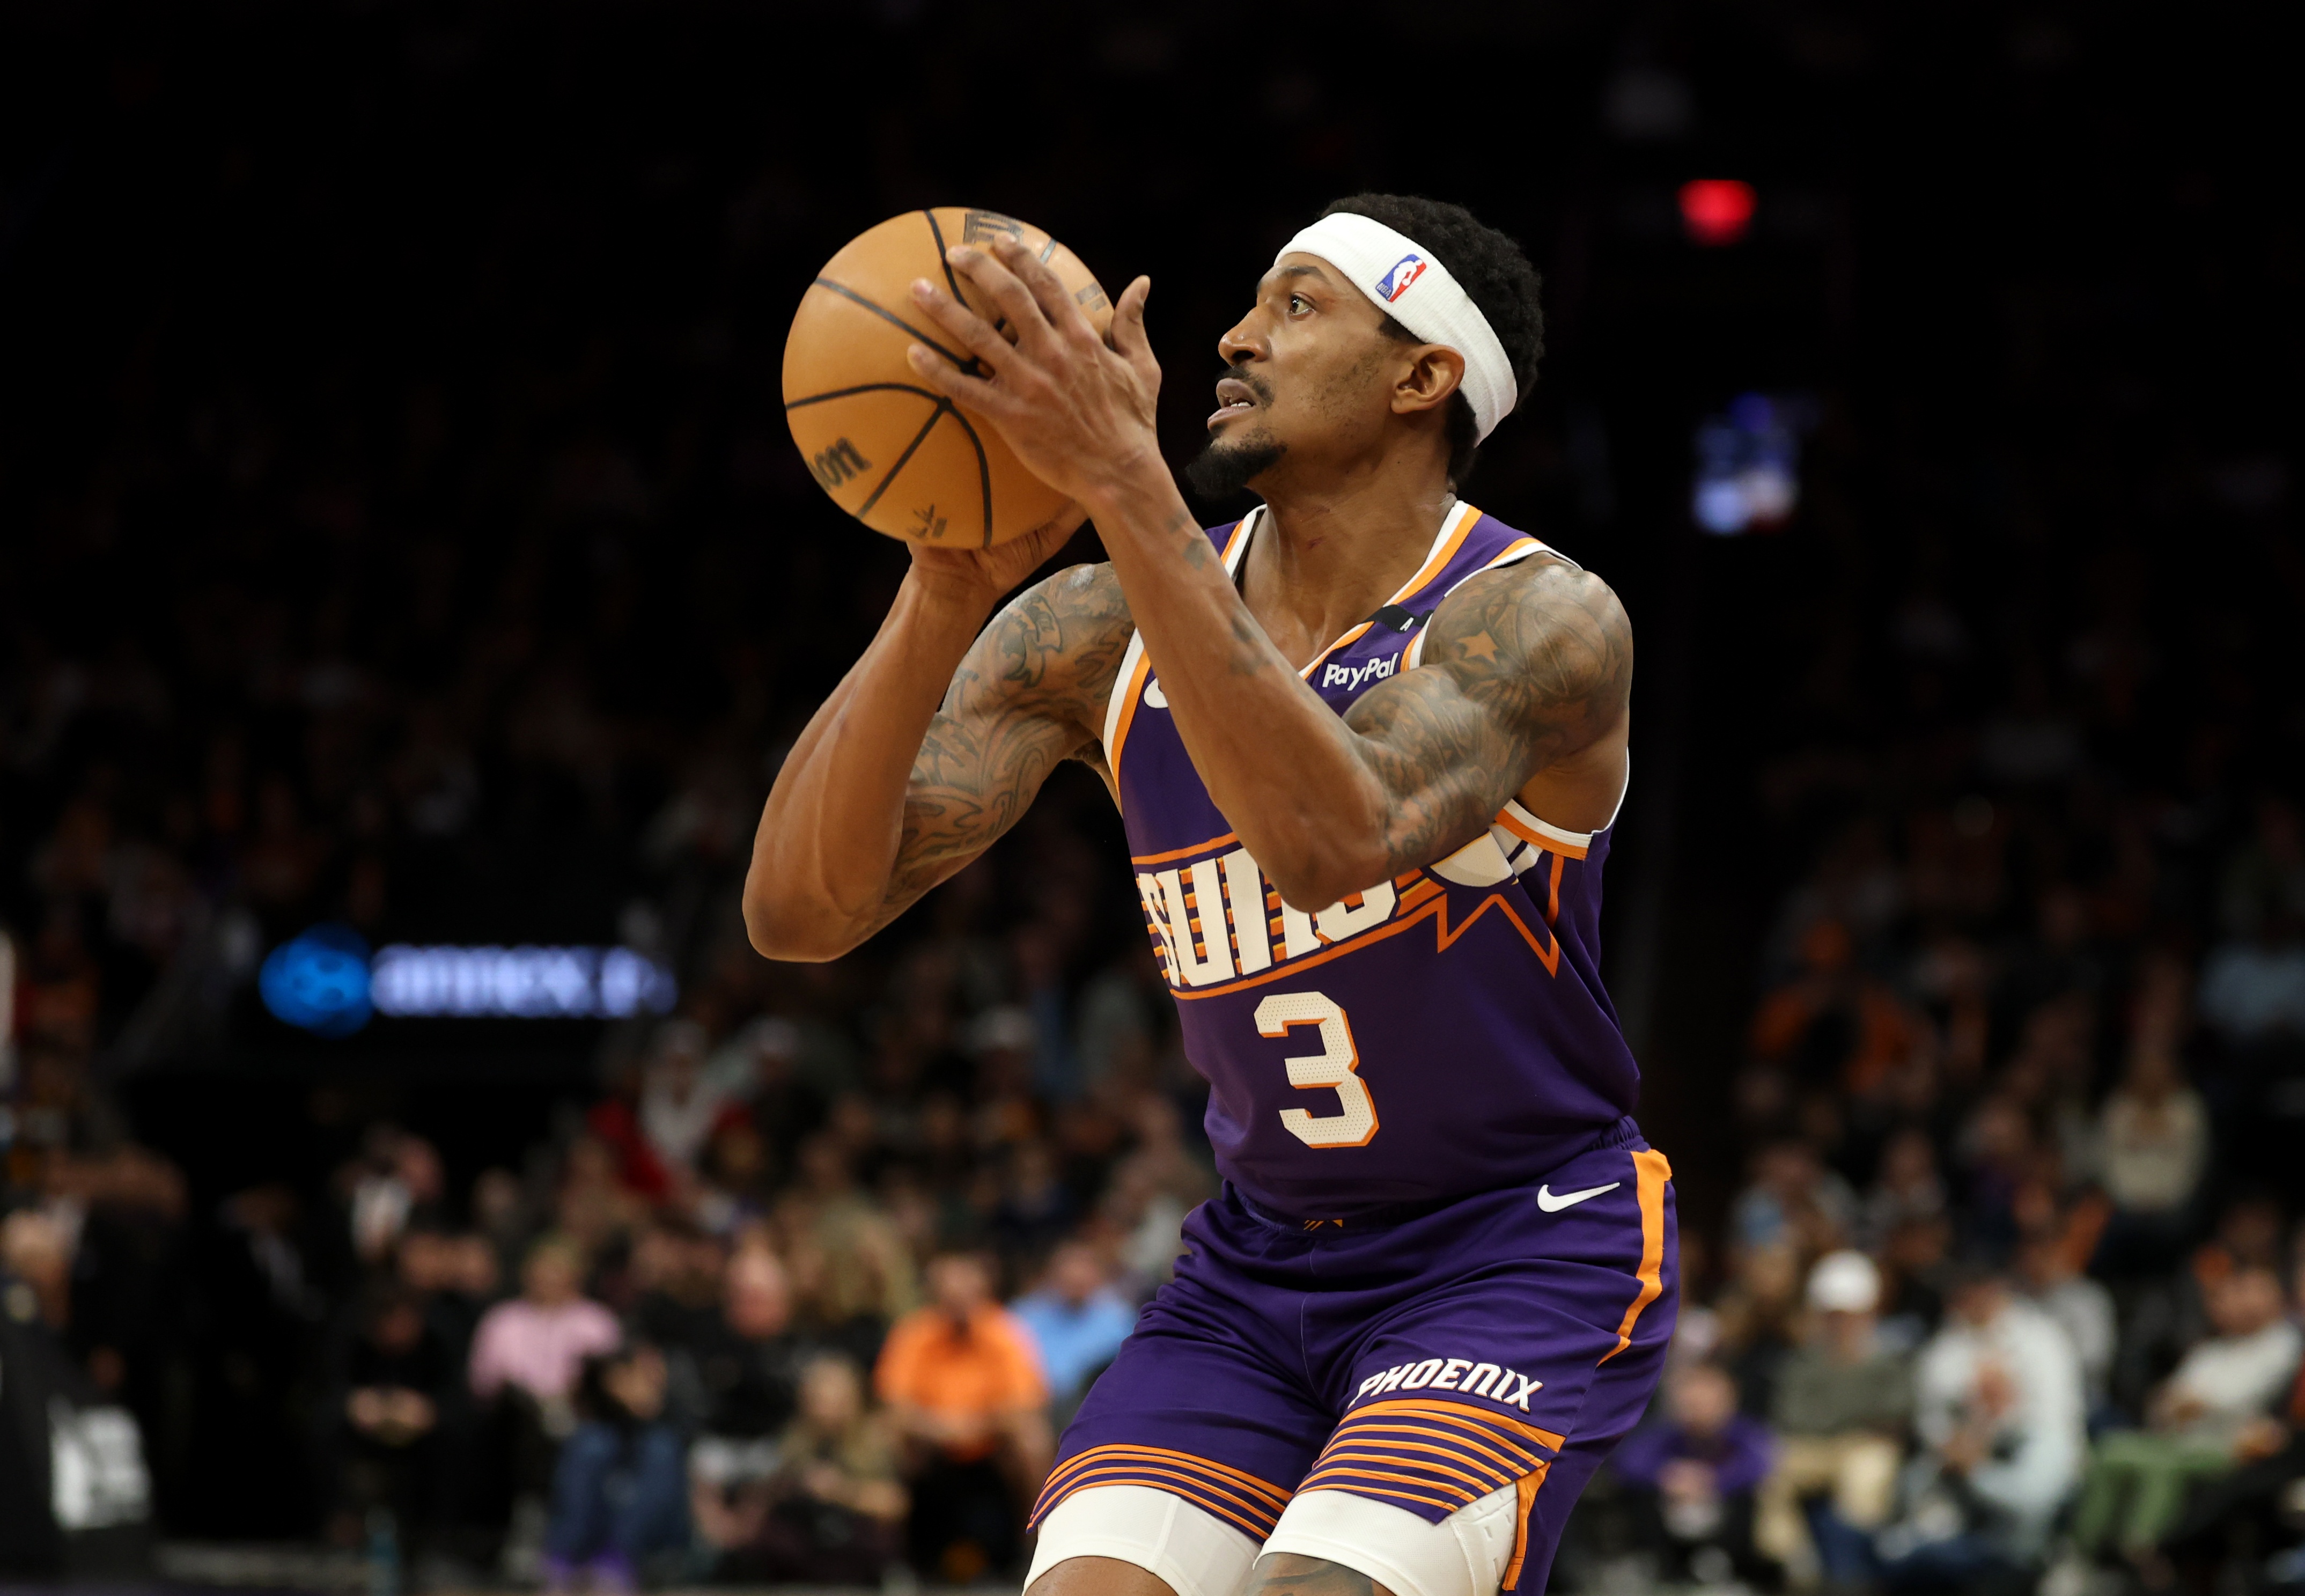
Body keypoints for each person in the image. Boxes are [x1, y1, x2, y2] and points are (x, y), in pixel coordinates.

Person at [745, 192, 1674, 1596]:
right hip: (1254, 1266)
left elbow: (1332, 836)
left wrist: (1125, 481)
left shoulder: (1537, 617)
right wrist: (941, 589)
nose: (1235, 337)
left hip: (1512, 1246)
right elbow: (801, 912)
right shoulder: (1095, 626)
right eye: (1248, 302)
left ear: (1423, 375)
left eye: (1296, 305)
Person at [2071, 1265, 2301, 1566]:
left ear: (2276, 1297)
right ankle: (2083, 1552)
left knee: (2159, 1466)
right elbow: (2163, 1405)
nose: (2236, 1301)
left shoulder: (2283, 1343)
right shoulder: (2211, 1351)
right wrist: (2179, 1406)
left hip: (2232, 1446)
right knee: (2110, 1450)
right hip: (2182, 1439)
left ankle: (2141, 1555)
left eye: (2249, 1291)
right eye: (2229, 1294)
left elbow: (2234, 1399)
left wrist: (2193, 1404)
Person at [1877, 1265, 2085, 1593]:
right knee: (1914, 1505)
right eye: (1961, 1291)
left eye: (1977, 1288)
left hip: (2030, 1448)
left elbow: (2056, 1418)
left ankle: (2038, 1560)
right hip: (1964, 1457)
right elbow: (1930, 1417)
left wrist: (1996, 1429)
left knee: (2035, 1487)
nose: (1967, 1299)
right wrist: (1956, 1442)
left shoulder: (2041, 1336)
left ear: (1996, 1288)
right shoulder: (1947, 1344)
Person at [874, 1250, 1050, 1578]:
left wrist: (973, 1427)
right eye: (948, 1289)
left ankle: (1036, 1548)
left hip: (991, 1442)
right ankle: (892, 1557)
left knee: (1032, 1439)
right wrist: (942, 1429)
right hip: (930, 1442)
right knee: (886, 1437)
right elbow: (895, 1408)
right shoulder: (913, 1333)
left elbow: (1024, 1405)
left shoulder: (1006, 1330)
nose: (957, 1298)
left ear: (982, 1289)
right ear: (934, 1292)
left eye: (965, 1287)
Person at [1755, 1251, 1911, 1588]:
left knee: (1868, 1475)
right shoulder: (1803, 1363)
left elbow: (1894, 1415)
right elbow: (1792, 1416)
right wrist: (1855, 1417)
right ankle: (1796, 1565)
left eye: (1850, 1316)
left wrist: (1839, 1419)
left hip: (1862, 1450)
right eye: (1834, 1316)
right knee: (1771, 1467)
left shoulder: (1887, 1361)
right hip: (1812, 1449)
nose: (1842, 1325)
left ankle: (1852, 1569)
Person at [693, 1352, 908, 1584]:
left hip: (855, 1559)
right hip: (799, 1562)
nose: (825, 1410)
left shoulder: (874, 1445)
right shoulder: (792, 1444)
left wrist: (840, 1490)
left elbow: (895, 1504)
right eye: (818, 1399)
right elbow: (764, 1498)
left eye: (835, 1400)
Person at [1609, 1361, 1774, 1587]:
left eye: (1707, 1403)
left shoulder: (1744, 1433)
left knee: (1753, 1495)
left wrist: (1712, 1480)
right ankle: (1654, 1562)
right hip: (1670, 1512)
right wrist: (1667, 1477)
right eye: (1691, 1403)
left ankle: (1721, 1562)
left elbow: (1760, 1463)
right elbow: (1628, 1461)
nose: (1699, 1411)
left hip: (1723, 1513)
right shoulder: (1664, 1433)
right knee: (1634, 1492)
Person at [541, 1342, 688, 1592]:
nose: (657, 1385)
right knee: (594, 1448)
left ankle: (615, 1561)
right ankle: (576, 1561)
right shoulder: (590, 1442)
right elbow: (573, 1508)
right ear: (615, 1381)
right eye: (645, 1377)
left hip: (646, 1558)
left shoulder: (663, 1443)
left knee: (660, 1450)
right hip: (583, 1555)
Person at [1008, 1240, 1137, 1415]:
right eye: (1069, 1269)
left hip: (1098, 1408)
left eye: (1084, 1269)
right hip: (1039, 1408)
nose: (1076, 1277)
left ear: (1098, 1275)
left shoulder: (1119, 1319)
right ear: (1051, 1274)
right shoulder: (1024, 1317)